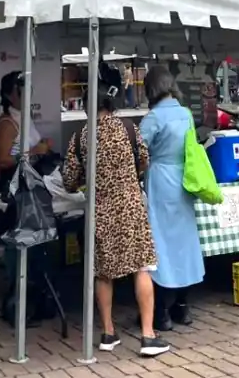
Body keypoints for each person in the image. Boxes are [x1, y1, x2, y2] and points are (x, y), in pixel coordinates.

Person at [64, 83, 169, 358]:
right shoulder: (130, 130)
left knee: (104, 273)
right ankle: (148, 336)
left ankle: (108, 333)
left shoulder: (80, 138)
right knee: (142, 267)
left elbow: (68, 181)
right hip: (131, 207)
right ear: (110, 106)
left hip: (101, 211)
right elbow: (144, 161)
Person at [140, 66, 204, 331]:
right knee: (184, 243)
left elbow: (139, 152)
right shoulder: (186, 114)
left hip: (160, 180)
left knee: (159, 245)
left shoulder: (153, 118)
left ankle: (161, 312)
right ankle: (183, 307)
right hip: (184, 180)